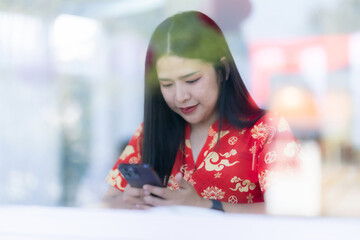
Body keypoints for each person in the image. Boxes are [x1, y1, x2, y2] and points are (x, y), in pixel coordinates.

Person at [102, 11, 301, 213]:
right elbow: (105, 203)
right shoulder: (150, 133)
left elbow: (290, 210)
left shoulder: (266, 130)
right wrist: (127, 202)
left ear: (223, 70)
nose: (180, 96)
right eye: (167, 84)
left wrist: (204, 206)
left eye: (191, 80)